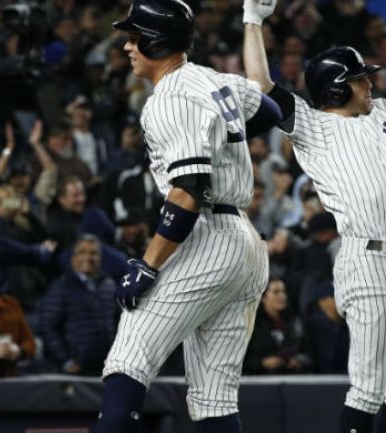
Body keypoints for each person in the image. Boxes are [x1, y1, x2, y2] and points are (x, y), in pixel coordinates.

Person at [242, 1, 386, 432]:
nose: (370, 83)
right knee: (367, 389)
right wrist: (253, 21)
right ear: (335, 89)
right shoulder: (313, 127)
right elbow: (261, 85)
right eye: (359, 79)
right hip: (366, 260)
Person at [95, 1, 281, 432]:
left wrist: (148, 262)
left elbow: (189, 191)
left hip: (208, 238)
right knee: (213, 397)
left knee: (128, 360)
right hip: (246, 244)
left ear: (156, 41)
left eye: (134, 37)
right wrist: (220, 131)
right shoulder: (214, 80)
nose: (127, 46)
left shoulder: (172, 97)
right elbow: (270, 112)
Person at [39, 234, 118, 375]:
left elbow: (118, 323)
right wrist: (66, 361)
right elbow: (48, 328)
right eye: (82, 252)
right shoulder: (60, 287)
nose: (88, 258)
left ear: (100, 258)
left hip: (107, 368)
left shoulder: (109, 285)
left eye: (93, 253)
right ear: (73, 258)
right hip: (76, 371)